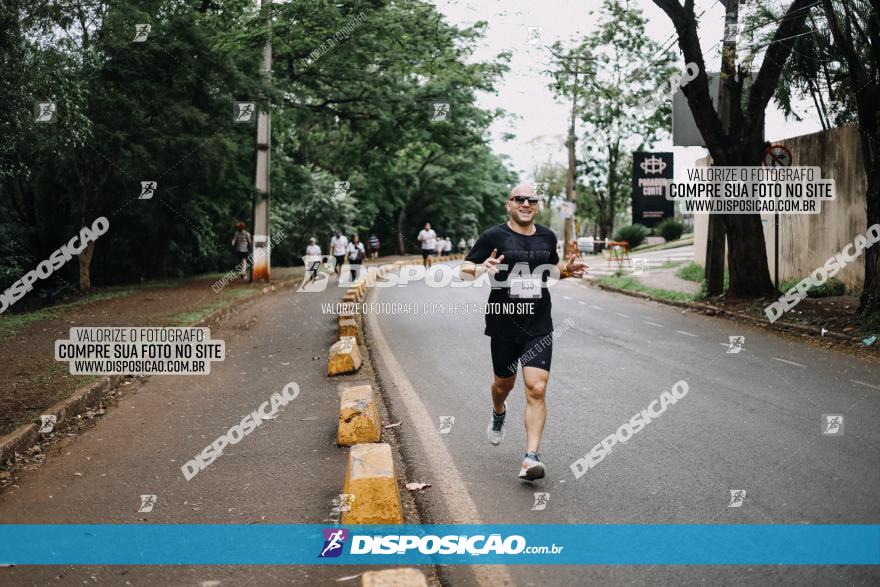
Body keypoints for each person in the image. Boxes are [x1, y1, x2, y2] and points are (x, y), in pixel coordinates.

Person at [459, 184, 588, 481]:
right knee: (503, 385)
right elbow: (463, 269)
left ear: (537, 205)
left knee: (537, 388)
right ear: (509, 204)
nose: (526, 203)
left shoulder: (547, 236)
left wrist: (568, 271)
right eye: (520, 199)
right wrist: (480, 269)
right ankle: (498, 411)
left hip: (539, 324)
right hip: (504, 322)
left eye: (532, 199)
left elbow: (552, 272)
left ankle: (531, 458)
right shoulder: (493, 236)